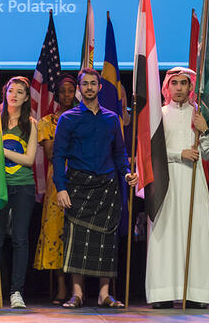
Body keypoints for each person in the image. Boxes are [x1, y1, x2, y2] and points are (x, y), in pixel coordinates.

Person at [52, 68, 138, 309]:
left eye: (93, 83)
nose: (89, 87)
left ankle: (104, 295)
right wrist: (61, 188)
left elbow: (119, 153)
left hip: (107, 186)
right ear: (79, 89)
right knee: (76, 242)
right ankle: (77, 295)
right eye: (85, 84)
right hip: (77, 186)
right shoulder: (67, 119)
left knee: (106, 243)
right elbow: (58, 156)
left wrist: (127, 173)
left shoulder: (111, 119)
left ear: (100, 87)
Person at [144, 67, 209, 309]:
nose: (179, 88)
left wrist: (205, 130)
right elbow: (152, 153)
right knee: (166, 236)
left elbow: (208, 153)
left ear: (190, 86)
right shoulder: (160, 115)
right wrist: (178, 154)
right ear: (167, 87)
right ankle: (162, 293)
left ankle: (195, 293)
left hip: (194, 183)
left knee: (195, 236)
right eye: (175, 83)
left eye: (184, 83)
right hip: (167, 183)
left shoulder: (198, 114)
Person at [0, 76, 38, 309]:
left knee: (20, 239)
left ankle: (17, 292)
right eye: (10, 91)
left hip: (23, 186)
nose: (14, 95)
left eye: (19, 92)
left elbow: (29, 159)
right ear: (4, 93)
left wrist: (2, 150)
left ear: (26, 98)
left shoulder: (31, 124)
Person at [33, 75, 77, 304]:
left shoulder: (84, 118)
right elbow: (51, 153)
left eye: (71, 90)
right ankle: (61, 287)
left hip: (81, 178)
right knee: (57, 233)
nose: (67, 95)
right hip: (58, 180)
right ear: (57, 94)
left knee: (77, 233)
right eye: (63, 91)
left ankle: (78, 289)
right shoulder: (48, 121)